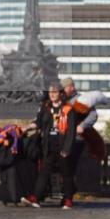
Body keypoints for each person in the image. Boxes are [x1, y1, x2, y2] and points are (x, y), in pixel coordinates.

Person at [21, 82, 81, 210]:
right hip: (49, 146)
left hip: (63, 145)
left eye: (54, 92)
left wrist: (67, 149)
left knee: (66, 174)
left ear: (60, 93)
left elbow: (71, 131)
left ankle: (68, 200)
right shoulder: (46, 107)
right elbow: (38, 122)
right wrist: (26, 128)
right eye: (50, 92)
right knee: (44, 172)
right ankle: (36, 198)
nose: (52, 94)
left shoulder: (68, 109)